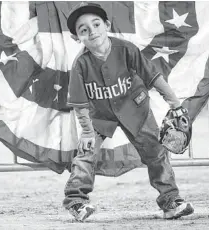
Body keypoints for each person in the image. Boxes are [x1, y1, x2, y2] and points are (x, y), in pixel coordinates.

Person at [63, 2, 194, 222]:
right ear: (77, 38)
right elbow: (80, 103)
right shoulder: (81, 64)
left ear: (107, 25)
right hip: (100, 115)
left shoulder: (126, 49)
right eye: (83, 30)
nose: (92, 31)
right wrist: (86, 133)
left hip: (134, 108)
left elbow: (153, 76)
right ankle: (76, 202)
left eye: (96, 24)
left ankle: (171, 202)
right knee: (86, 153)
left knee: (156, 152)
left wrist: (175, 103)